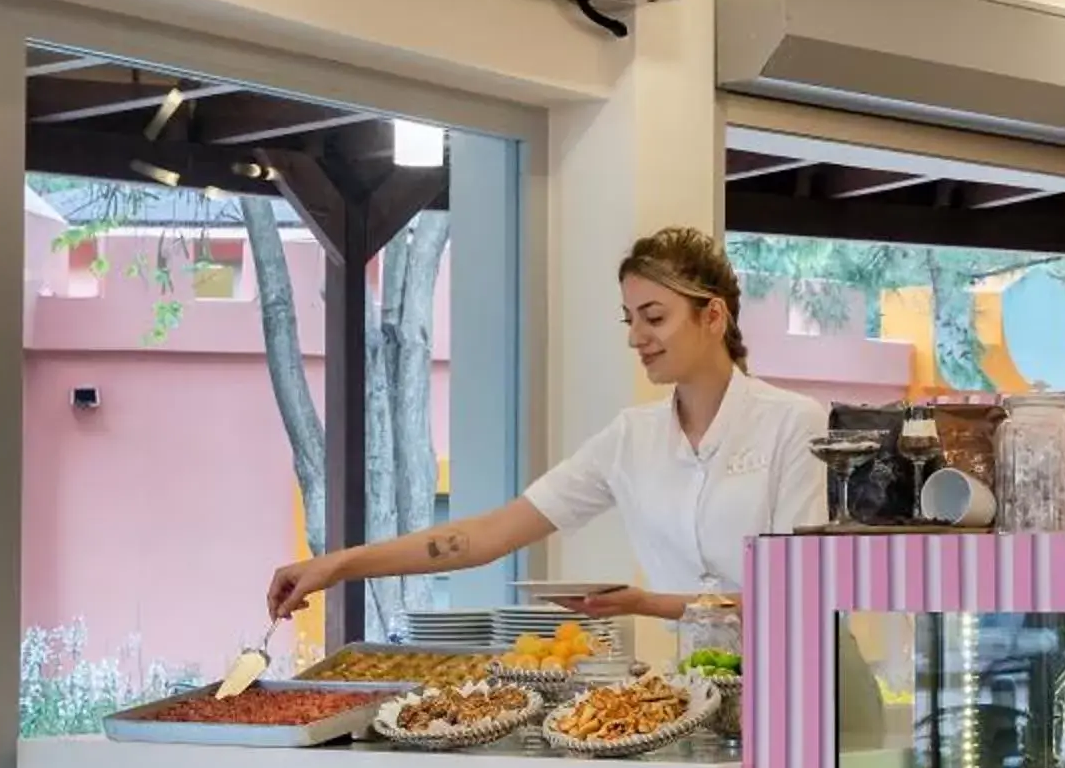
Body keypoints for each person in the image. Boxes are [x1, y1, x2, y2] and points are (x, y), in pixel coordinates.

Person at [266, 227, 827, 624]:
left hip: (812, 695)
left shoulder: (797, 426)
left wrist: (646, 604)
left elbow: (798, 597)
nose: (636, 337)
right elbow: (483, 537)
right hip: (704, 694)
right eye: (629, 319)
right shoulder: (631, 439)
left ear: (713, 315)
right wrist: (339, 564)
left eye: (655, 317)